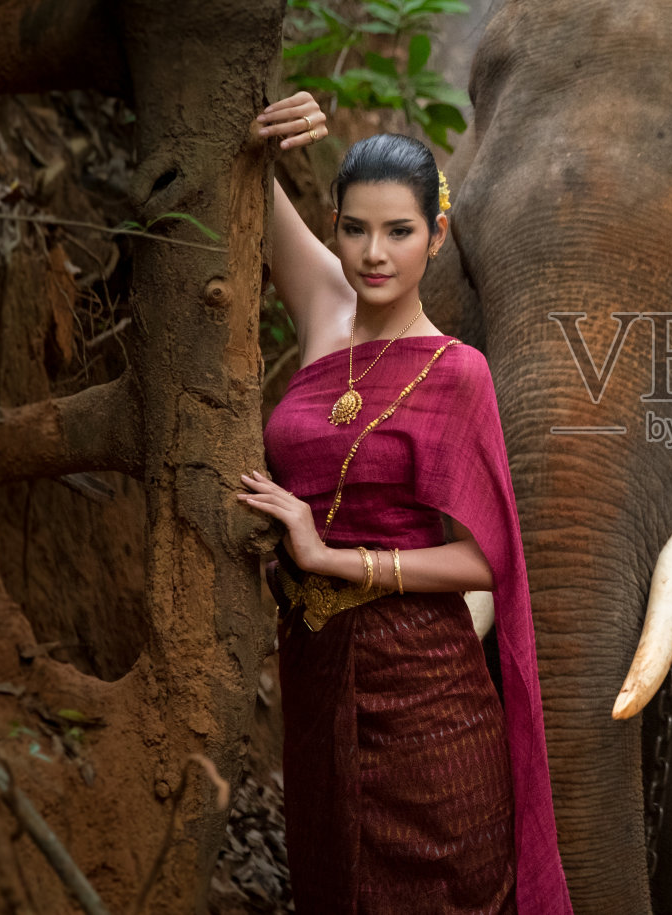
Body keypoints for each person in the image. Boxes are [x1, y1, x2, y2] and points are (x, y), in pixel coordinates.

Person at [234, 92, 572, 914]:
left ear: (437, 236)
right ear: (335, 226)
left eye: (399, 231)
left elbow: (485, 558)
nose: (372, 254)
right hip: (316, 679)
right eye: (354, 229)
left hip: (428, 702)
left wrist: (328, 555)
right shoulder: (325, 307)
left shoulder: (458, 372)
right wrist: (256, 136)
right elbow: (246, 180)